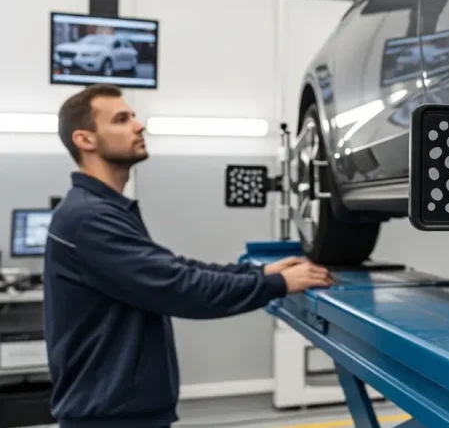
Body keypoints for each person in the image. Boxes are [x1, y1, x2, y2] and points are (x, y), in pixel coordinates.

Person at [43, 84, 333, 428]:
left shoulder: (102, 210)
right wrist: (276, 284)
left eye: (134, 116)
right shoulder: (89, 218)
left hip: (120, 413)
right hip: (111, 419)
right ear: (85, 140)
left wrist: (262, 273)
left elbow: (172, 268)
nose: (139, 125)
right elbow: (179, 288)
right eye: (122, 119)